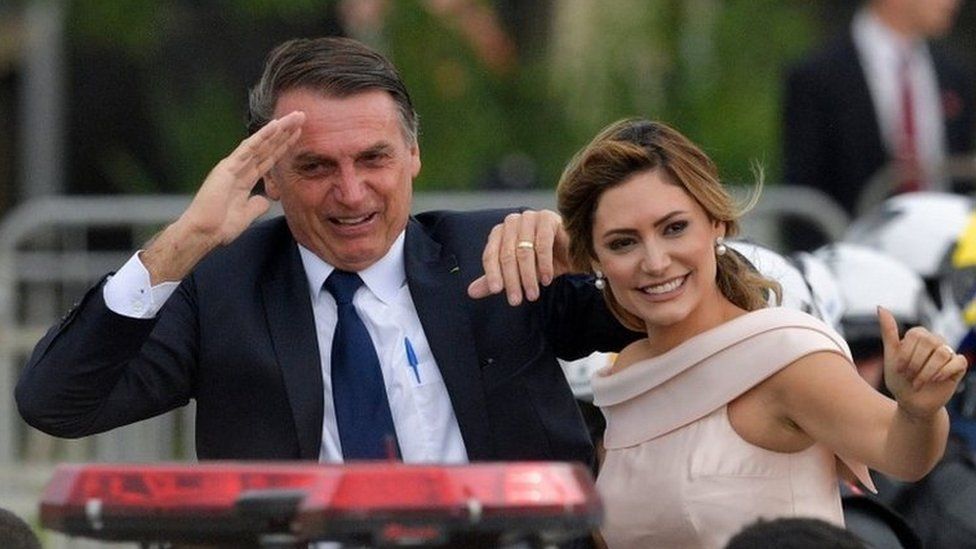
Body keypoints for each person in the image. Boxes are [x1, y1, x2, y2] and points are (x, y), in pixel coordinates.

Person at [15, 37, 637, 468]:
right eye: (315, 166)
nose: (350, 192)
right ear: (271, 178)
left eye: (373, 158)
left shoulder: (498, 255)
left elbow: (706, 297)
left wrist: (599, 254)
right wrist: (185, 242)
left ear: (413, 156)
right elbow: (57, 403)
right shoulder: (223, 288)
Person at [471, 119, 968, 548]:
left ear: (716, 223)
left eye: (673, 228)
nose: (655, 261)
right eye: (623, 242)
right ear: (595, 260)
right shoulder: (621, 376)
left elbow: (903, 454)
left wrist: (918, 409)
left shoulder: (784, 352)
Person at [783, 0, 974, 218]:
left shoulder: (954, 75)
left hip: (942, 241)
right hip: (854, 244)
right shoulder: (816, 79)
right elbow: (805, 200)